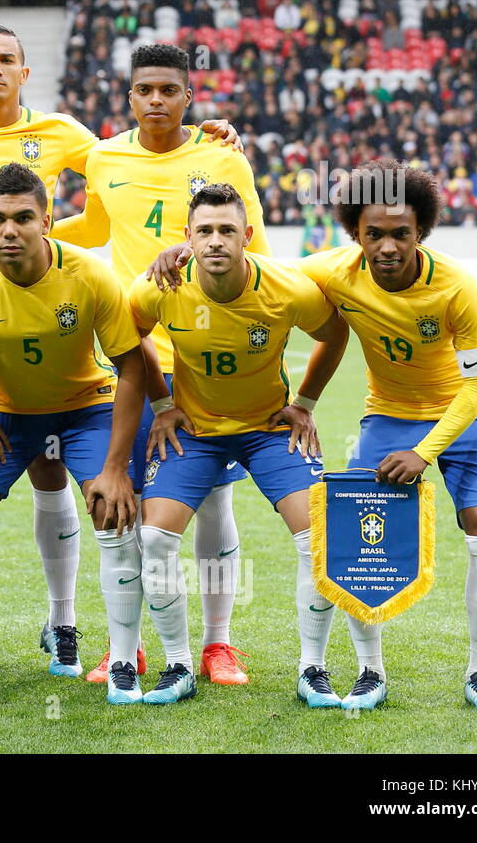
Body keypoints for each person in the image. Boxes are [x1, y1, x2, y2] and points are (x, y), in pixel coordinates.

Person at [52, 42, 270, 686]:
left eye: (167, 91)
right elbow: (94, 227)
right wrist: (34, 234)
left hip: (208, 361)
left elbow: (254, 242)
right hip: (131, 358)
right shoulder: (104, 155)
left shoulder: (221, 156)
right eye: (144, 90)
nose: (155, 101)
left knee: (213, 506)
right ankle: (130, 646)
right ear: (129, 97)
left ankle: (218, 644)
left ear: (188, 97)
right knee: (128, 508)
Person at [0, 163, 151, 703]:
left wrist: (117, 467)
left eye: (23, 218)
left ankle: (123, 659)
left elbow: (131, 367)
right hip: (7, 414)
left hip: (84, 409)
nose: (10, 231)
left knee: (114, 509)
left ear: (46, 221)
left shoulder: (89, 274)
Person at [299, 161, 477, 712]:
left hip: (466, 416)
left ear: (422, 233)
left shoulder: (457, 285)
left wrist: (423, 452)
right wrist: (180, 255)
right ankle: (371, 672)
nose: (388, 246)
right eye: (375, 234)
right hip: (388, 416)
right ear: (355, 234)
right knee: (350, 539)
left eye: (402, 233)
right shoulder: (333, 271)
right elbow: (260, 275)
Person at [128, 183, 349, 707]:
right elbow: (130, 333)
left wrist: (306, 403)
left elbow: (334, 334)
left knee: (319, 541)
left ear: (248, 236)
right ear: (187, 238)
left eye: (228, 230)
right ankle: (178, 664)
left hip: (269, 428)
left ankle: (312, 670)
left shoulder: (285, 288)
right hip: (197, 432)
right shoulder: (161, 285)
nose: (216, 241)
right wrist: (162, 404)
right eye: (204, 230)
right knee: (155, 538)